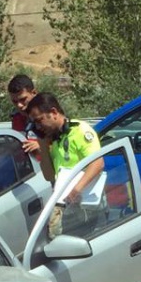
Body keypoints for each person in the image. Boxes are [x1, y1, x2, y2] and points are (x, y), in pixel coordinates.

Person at [23, 92, 105, 232]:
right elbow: (49, 176)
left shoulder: (80, 130)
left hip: (86, 207)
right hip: (67, 206)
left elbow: (97, 164)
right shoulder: (54, 139)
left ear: (53, 112)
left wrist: (75, 191)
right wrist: (43, 143)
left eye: (39, 120)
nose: (38, 126)